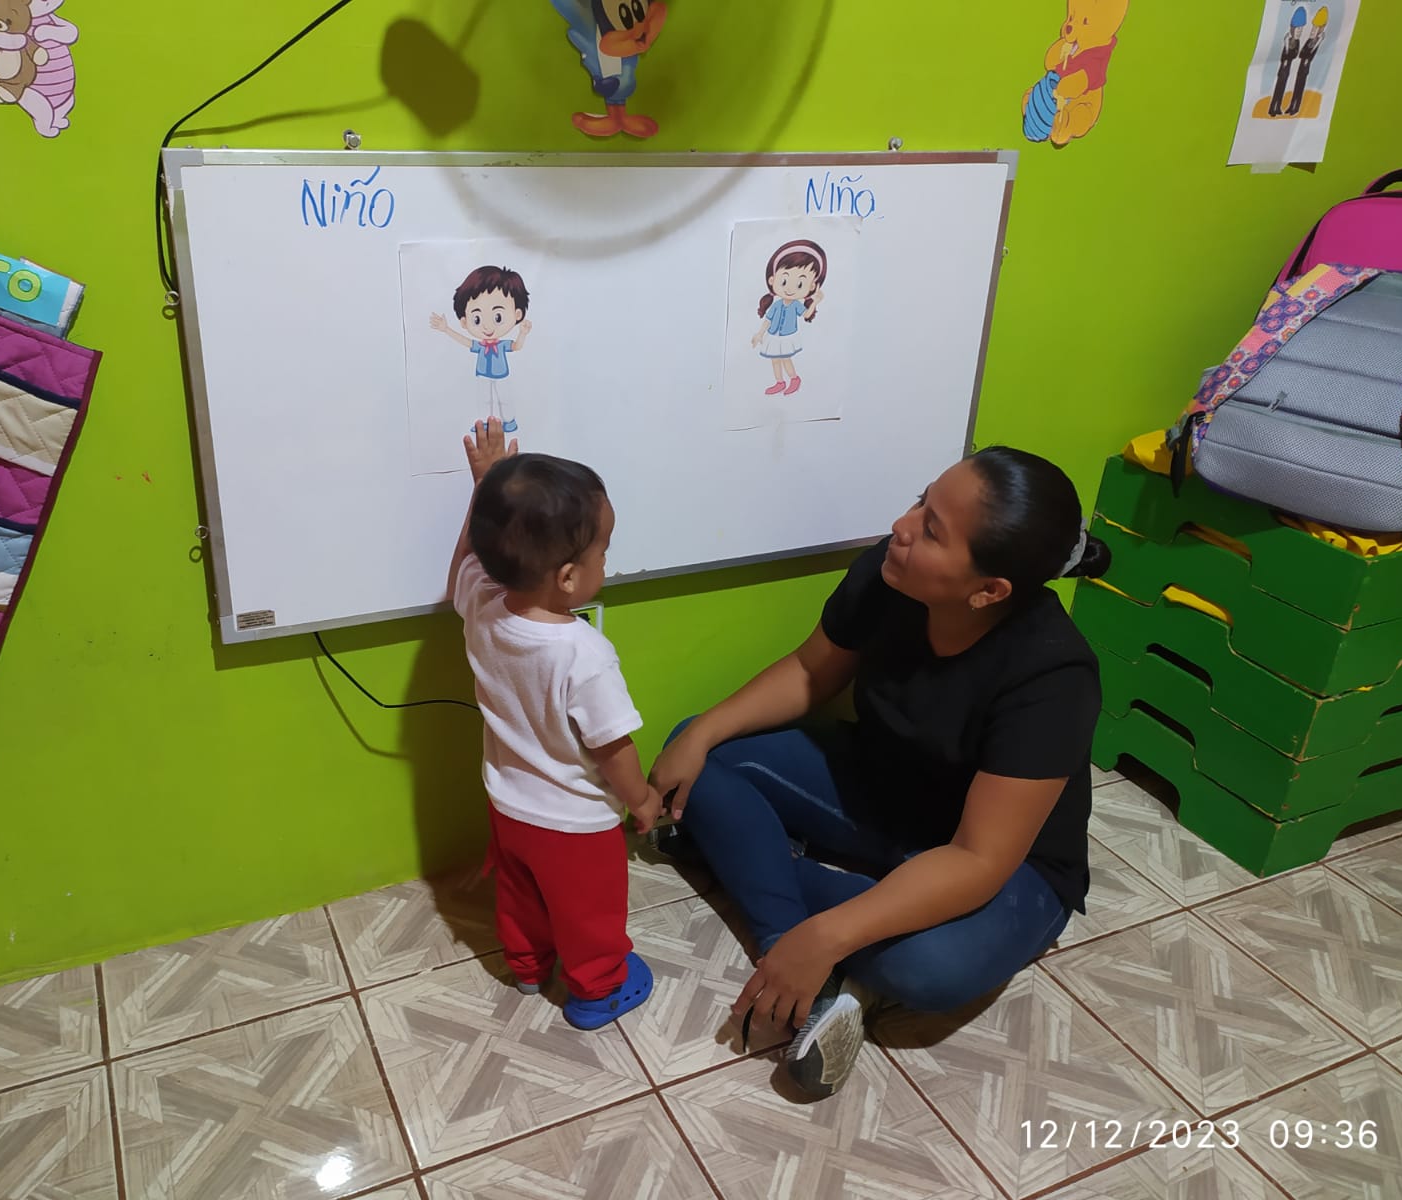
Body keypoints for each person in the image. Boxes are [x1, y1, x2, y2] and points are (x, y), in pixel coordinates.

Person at [648, 446, 1111, 1098]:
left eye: (932, 530)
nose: (902, 525)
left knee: (930, 969)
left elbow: (978, 858)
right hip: (885, 791)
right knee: (703, 754)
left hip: (1005, 863)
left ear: (989, 590)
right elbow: (809, 673)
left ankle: (759, 867)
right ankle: (795, 949)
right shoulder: (890, 573)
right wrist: (700, 733)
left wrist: (831, 932)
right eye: (922, 500)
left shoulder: (1052, 674)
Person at [450, 419, 659, 1029]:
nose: (605, 564)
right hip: (575, 824)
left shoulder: (482, 608)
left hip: (509, 808)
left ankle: (526, 965)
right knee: (588, 911)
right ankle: (599, 990)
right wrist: (641, 798)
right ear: (568, 577)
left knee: (520, 895)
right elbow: (613, 746)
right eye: (603, 553)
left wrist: (483, 488)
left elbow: (466, 562)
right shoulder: (584, 654)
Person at [430, 266, 533, 435]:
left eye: (497, 317)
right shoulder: (480, 346)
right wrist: (446, 329)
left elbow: (516, 346)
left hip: (501, 375)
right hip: (483, 374)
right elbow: (465, 342)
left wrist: (522, 333)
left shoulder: (501, 345)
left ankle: (509, 421)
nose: (487, 326)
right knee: (484, 400)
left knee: (504, 398)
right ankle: (484, 422)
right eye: (476, 319)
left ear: (517, 314)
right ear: (464, 322)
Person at [750, 240, 827, 396]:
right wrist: (760, 334)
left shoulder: (796, 305)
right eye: (784, 281)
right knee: (775, 360)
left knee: (785, 359)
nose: (790, 289)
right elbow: (768, 320)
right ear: (772, 280)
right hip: (773, 335)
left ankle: (794, 379)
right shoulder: (776, 305)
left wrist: (815, 302)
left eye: (800, 284)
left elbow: (806, 314)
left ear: (812, 287)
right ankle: (780, 382)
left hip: (786, 337)